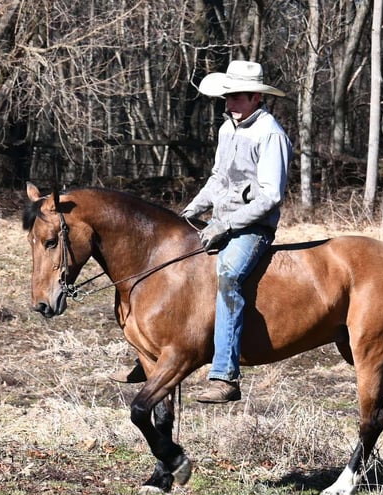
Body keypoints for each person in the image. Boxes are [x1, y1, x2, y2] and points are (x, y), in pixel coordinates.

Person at [111, 60, 292, 404]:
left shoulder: (270, 134)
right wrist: (191, 210)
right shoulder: (228, 129)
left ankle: (226, 375)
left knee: (228, 278)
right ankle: (148, 355)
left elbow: (271, 195)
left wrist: (224, 224)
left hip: (251, 230)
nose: (228, 103)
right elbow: (217, 179)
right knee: (169, 268)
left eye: (236, 97)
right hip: (218, 223)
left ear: (255, 97)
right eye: (227, 97)